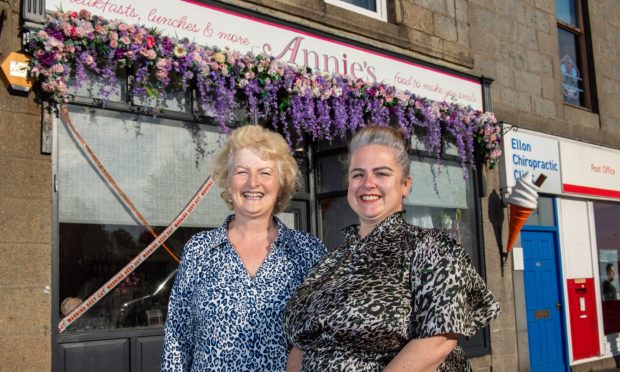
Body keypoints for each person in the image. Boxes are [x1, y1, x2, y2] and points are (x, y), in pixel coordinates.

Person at [284, 126, 501, 371]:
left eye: (381, 173)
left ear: (405, 185)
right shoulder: (330, 262)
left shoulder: (431, 248)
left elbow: (438, 340)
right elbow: (301, 343)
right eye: (358, 175)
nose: (368, 184)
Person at [161, 125, 326, 371]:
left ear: (280, 183)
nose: (253, 182)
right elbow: (177, 339)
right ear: (228, 182)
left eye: (265, 172)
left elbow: (323, 337)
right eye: (241, 172)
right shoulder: (199, 250)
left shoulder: (308, 251)